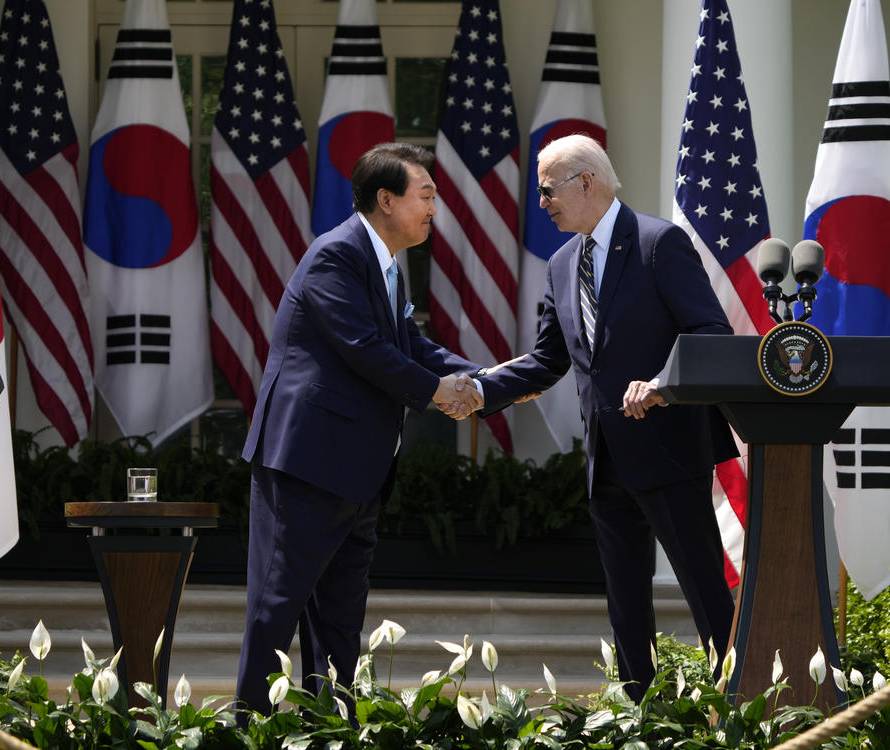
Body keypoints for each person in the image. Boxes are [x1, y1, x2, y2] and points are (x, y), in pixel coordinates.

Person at [475, 134, 738, 702]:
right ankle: (640, 714)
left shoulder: (657, 242)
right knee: (625, 605)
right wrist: (477, 392)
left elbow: (710, 333)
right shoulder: (562, 263)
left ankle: (745, 708)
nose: (541, 202)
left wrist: (664, 385)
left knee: (705, 593)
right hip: (606, 460)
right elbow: (548, 360)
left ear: (585, 182)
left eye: (547, 190)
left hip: (668, 451)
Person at [236, 142, 483, 716]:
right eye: (426, 195)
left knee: (340, 621)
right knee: (276, 608)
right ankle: (249, 726)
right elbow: (364, 348)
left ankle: (332, 727)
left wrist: (480, 379)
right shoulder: (336, 256)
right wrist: (436, 391)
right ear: (385, 199)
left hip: (360, 474)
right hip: (305, 464)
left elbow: (410, 344)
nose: (434, 208)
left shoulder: (388, 265)